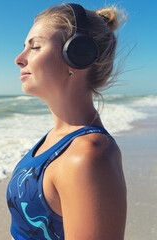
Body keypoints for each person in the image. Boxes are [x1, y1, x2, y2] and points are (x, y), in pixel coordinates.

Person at [7, 3, 127, 240]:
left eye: (36, 47)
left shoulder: (86, 155)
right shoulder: (56, 139)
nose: (19, 59)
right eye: (24, 48)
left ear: (78, 55)